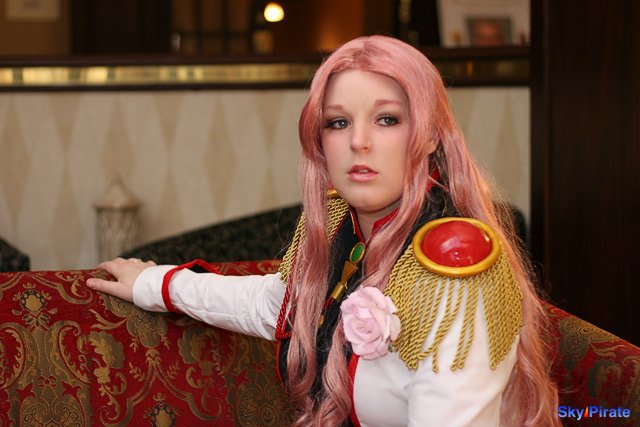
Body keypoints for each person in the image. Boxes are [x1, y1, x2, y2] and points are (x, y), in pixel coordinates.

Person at [87, 35, 559, 426]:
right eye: (338, 122)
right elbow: (279, 305)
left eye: (387, 119)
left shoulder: (457, 267)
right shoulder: (339, 223)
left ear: (431, 134)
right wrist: (155, 284)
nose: (358, 142)